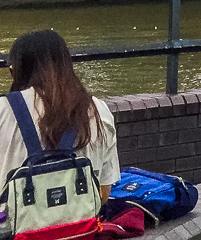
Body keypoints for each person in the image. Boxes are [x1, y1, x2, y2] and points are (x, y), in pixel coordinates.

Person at [0, 31, 119, 204]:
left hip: (15, 229)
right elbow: (104, 192)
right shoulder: (98, 110)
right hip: (80, 229)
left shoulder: (3, 109)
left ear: (20, 70)